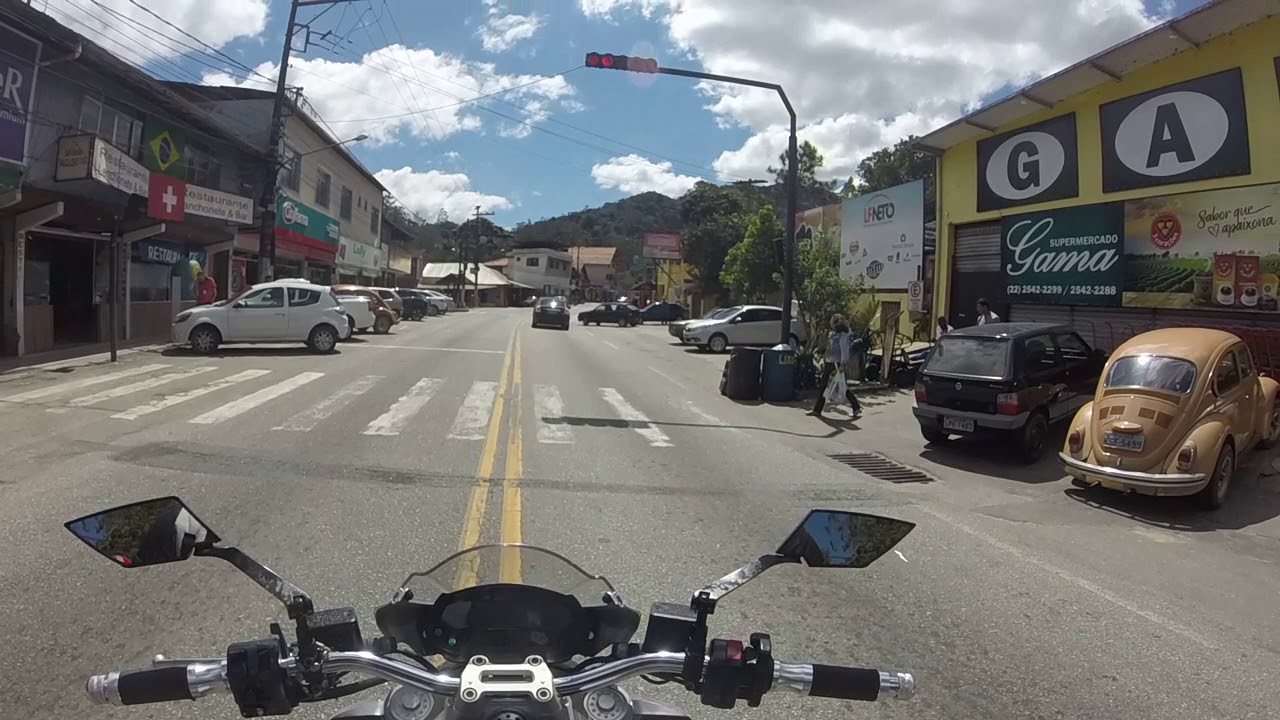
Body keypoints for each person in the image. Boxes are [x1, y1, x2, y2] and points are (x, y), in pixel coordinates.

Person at [808, 314, 862, 418]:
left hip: (836, 364)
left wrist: (843, 364)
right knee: (825, 386)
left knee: (841, 386)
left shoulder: (843, 336)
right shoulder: (833, 335)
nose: (831, 324)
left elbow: (844, 351)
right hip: (830, 363)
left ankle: (856, 407)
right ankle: (817, 410)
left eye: (833, 322)